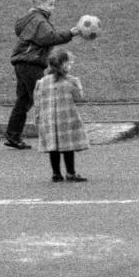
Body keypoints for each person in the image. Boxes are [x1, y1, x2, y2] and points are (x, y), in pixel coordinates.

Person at [5, 0, 80, 149]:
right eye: (51, 4)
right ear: (40, 4)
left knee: (24, 100)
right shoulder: (39, 20)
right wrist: (71, 33)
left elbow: (20, 30)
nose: (53, 8)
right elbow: (50, 38)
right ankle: (53, 138)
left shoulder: (30, 18)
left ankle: (13, 135)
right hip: (30, 64)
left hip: (21, 63)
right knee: (45, 99)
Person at [34, 48, 90, 182]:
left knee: (53, 148)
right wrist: (78, 83)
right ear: (63, 65)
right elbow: (79, 98)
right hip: (67, 120)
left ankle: (56, 173)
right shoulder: (70, 81)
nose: (71, 65)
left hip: (49, 121)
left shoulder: (41, 82)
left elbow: (37, 102)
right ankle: (70, 173)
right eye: (69, 63)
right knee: (68, 147)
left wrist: (38, 118)